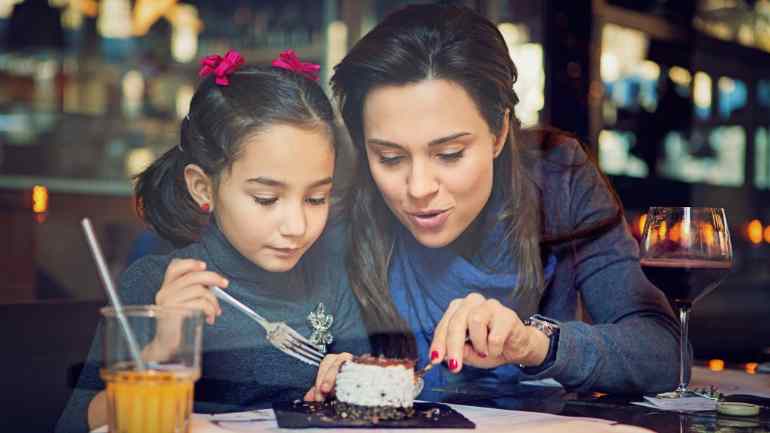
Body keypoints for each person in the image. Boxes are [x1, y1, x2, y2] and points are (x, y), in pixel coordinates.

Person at [306, 4, 681, 401]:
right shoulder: (328, 208)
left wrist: (534, 344)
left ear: (499, 131)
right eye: (390, 158)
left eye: (449, 154)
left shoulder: (558, 179)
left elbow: (664, 355)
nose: (418, 188)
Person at [57, 49, 370, 432]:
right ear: (203, 187)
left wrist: (347, 383)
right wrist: (160, 352)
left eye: (316, 198)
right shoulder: (156, 285)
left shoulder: (330, 278)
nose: (296, 224)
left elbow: (362, 405)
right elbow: (75, 424)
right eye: (266, 199)